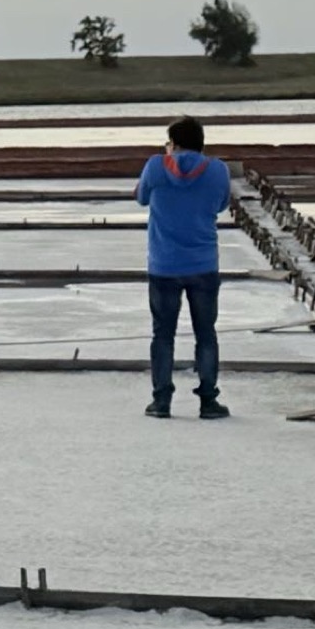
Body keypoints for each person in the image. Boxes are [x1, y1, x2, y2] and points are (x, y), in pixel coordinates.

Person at [139, 114, 232, 420]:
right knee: (206, 334)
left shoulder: (156, 166)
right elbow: (221, 205)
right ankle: (208, 401)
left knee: (162, 335)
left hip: (164, 264)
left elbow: (141, 197)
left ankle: (162, 400)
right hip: (204, 263)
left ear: (174, 143)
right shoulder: (218, 170)